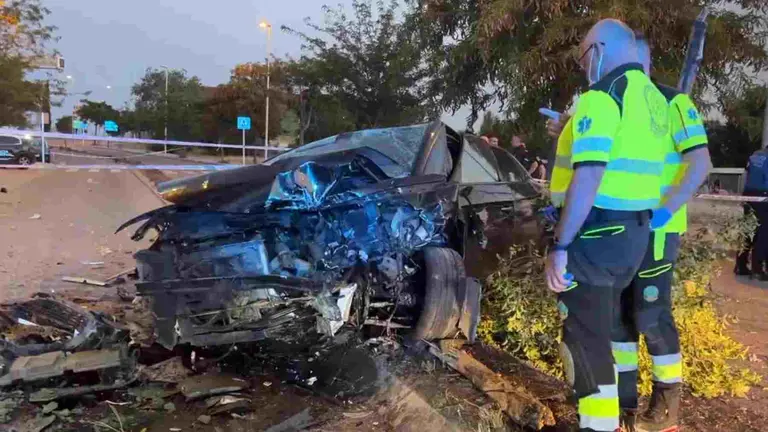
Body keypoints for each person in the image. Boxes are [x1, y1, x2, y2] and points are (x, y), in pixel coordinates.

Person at [544, 19, 669, 432]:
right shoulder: (655, 100)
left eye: (584, 57)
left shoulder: (601, 97)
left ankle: (597, 426)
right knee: (605, 333)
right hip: (634, 236)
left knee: (583, 342)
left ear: (597, 50)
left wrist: (560, 246)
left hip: (596, 236)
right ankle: (610, 420)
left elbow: (590, 175)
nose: (584, 68)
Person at [609, 32, 712, 432]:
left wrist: (664, 212)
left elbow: (699, 163)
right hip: (619, 230)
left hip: (655, 231)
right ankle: (625, 407)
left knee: (650, 315)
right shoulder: (616, 108)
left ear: (642, 61)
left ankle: (667, 409)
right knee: (619, 320)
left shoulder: (674, 102)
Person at [735, 145, 768, 279]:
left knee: (748, 230)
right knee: (764, 233)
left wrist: (743, 195)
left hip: (749, 194)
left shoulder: (755, 155)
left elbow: (745, 175)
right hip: (764, 195)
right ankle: (757, 269)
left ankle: (741, 265)